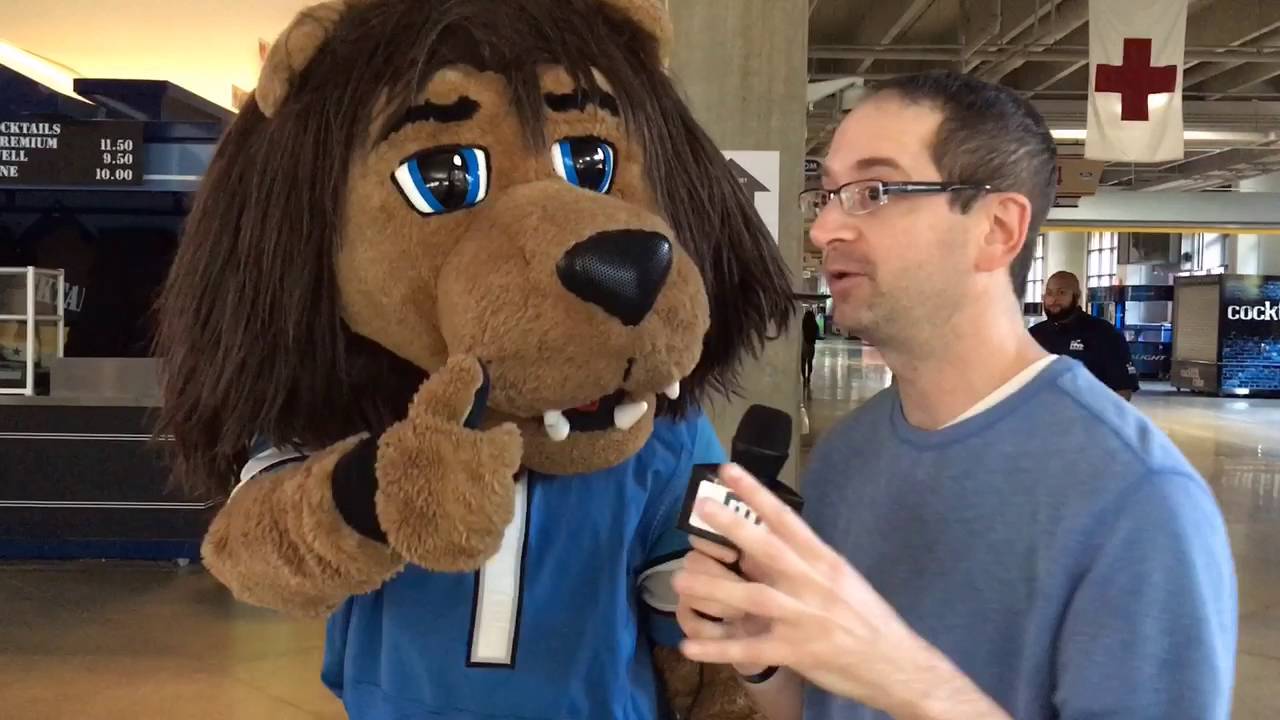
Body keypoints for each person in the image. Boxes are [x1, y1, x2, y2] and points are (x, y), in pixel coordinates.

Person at [671, 70, 1237, 720]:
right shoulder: (848, 456)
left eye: (872, 191)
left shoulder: (1138, 503)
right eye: (824, 195)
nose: (824, 228)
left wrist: (902, 675)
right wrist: (760, 653)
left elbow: (884, 680)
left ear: (997, 228)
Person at [1030, 271, 1141, 400]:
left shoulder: (1105, 334)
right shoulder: (1033, 335)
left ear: (1077, 296)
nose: (1053, 299)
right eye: (1049, 293)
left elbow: (1122, 391)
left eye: (1061, 293)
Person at [801, 308, 820, 390]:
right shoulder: (815, 325)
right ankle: (808, 376)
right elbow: (816, 336)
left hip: (804, 345)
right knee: (809, 362)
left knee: (803, 362)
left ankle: (804, 378)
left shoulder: (803, 324)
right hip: (811, 346)